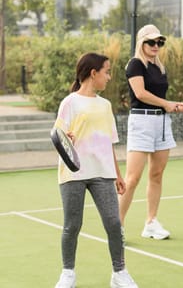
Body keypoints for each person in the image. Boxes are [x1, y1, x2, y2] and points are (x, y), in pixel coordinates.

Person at [54, 53, 138, 288]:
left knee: (113, 223)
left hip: (103, 173)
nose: (109, 77)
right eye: (107, 71)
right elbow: (58, 136)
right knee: (72, 225)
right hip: (73, 173)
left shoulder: (105, 105)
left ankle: (119, 273)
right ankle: (68, 274)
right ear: (93, 73)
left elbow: (108, 143)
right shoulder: (69, 102)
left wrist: (118, 175)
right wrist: (67, 137)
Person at [118, 24, 183, 240]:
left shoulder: (159, 67)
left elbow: (159, 98)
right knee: (132, 178)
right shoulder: (135, 64)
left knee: (156, 175)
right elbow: (140, 93)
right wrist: (166, 103)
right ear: (141, 43)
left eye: (159, 42)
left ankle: (151, 223)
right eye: (151, 42)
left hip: (162, 124)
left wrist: (173, 106)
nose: (156, 46)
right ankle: (116, 227)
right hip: (141, 122)